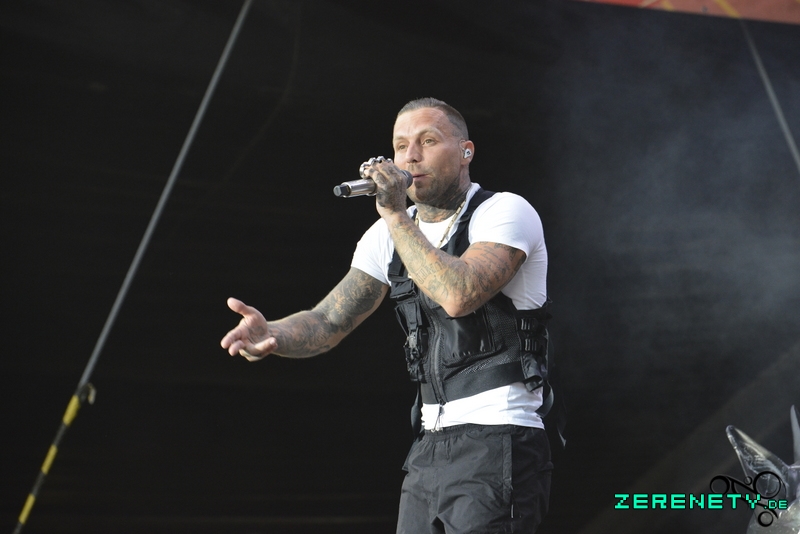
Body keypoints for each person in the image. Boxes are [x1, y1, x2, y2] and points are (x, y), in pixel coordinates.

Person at [221, 97, 553, 533]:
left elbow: (458, 295)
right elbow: (329, 321)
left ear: (465, 151)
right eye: (400, 146)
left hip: (500, 434)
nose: (410, 156)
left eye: (427, 141)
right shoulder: (387, 233)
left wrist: (395, 214)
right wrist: (274, 334)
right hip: (429, 445)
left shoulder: (504, 211)